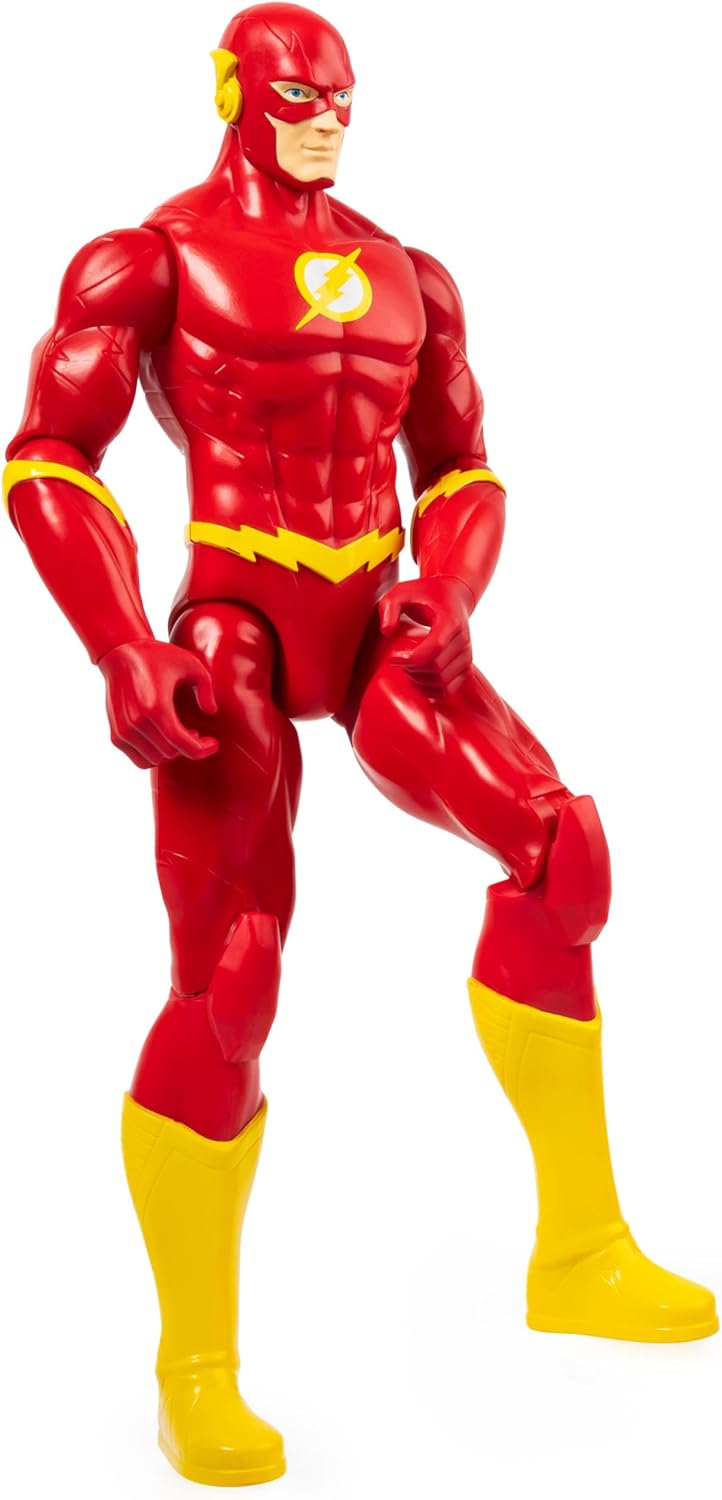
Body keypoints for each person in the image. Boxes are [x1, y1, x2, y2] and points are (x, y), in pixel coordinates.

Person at [4, 3, 717, 1487]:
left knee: (562, 851)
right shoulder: (151, 259)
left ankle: (580, 1249)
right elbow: (50, 456)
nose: (326, 118)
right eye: (297, 96)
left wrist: (449, 590)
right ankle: (194, 1370)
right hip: (235, 626)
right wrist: (122, 642)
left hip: (382, 615)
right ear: (232, 92)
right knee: (231, 977)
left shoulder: (408, 274)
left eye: (342, 96)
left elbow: (462, 469)